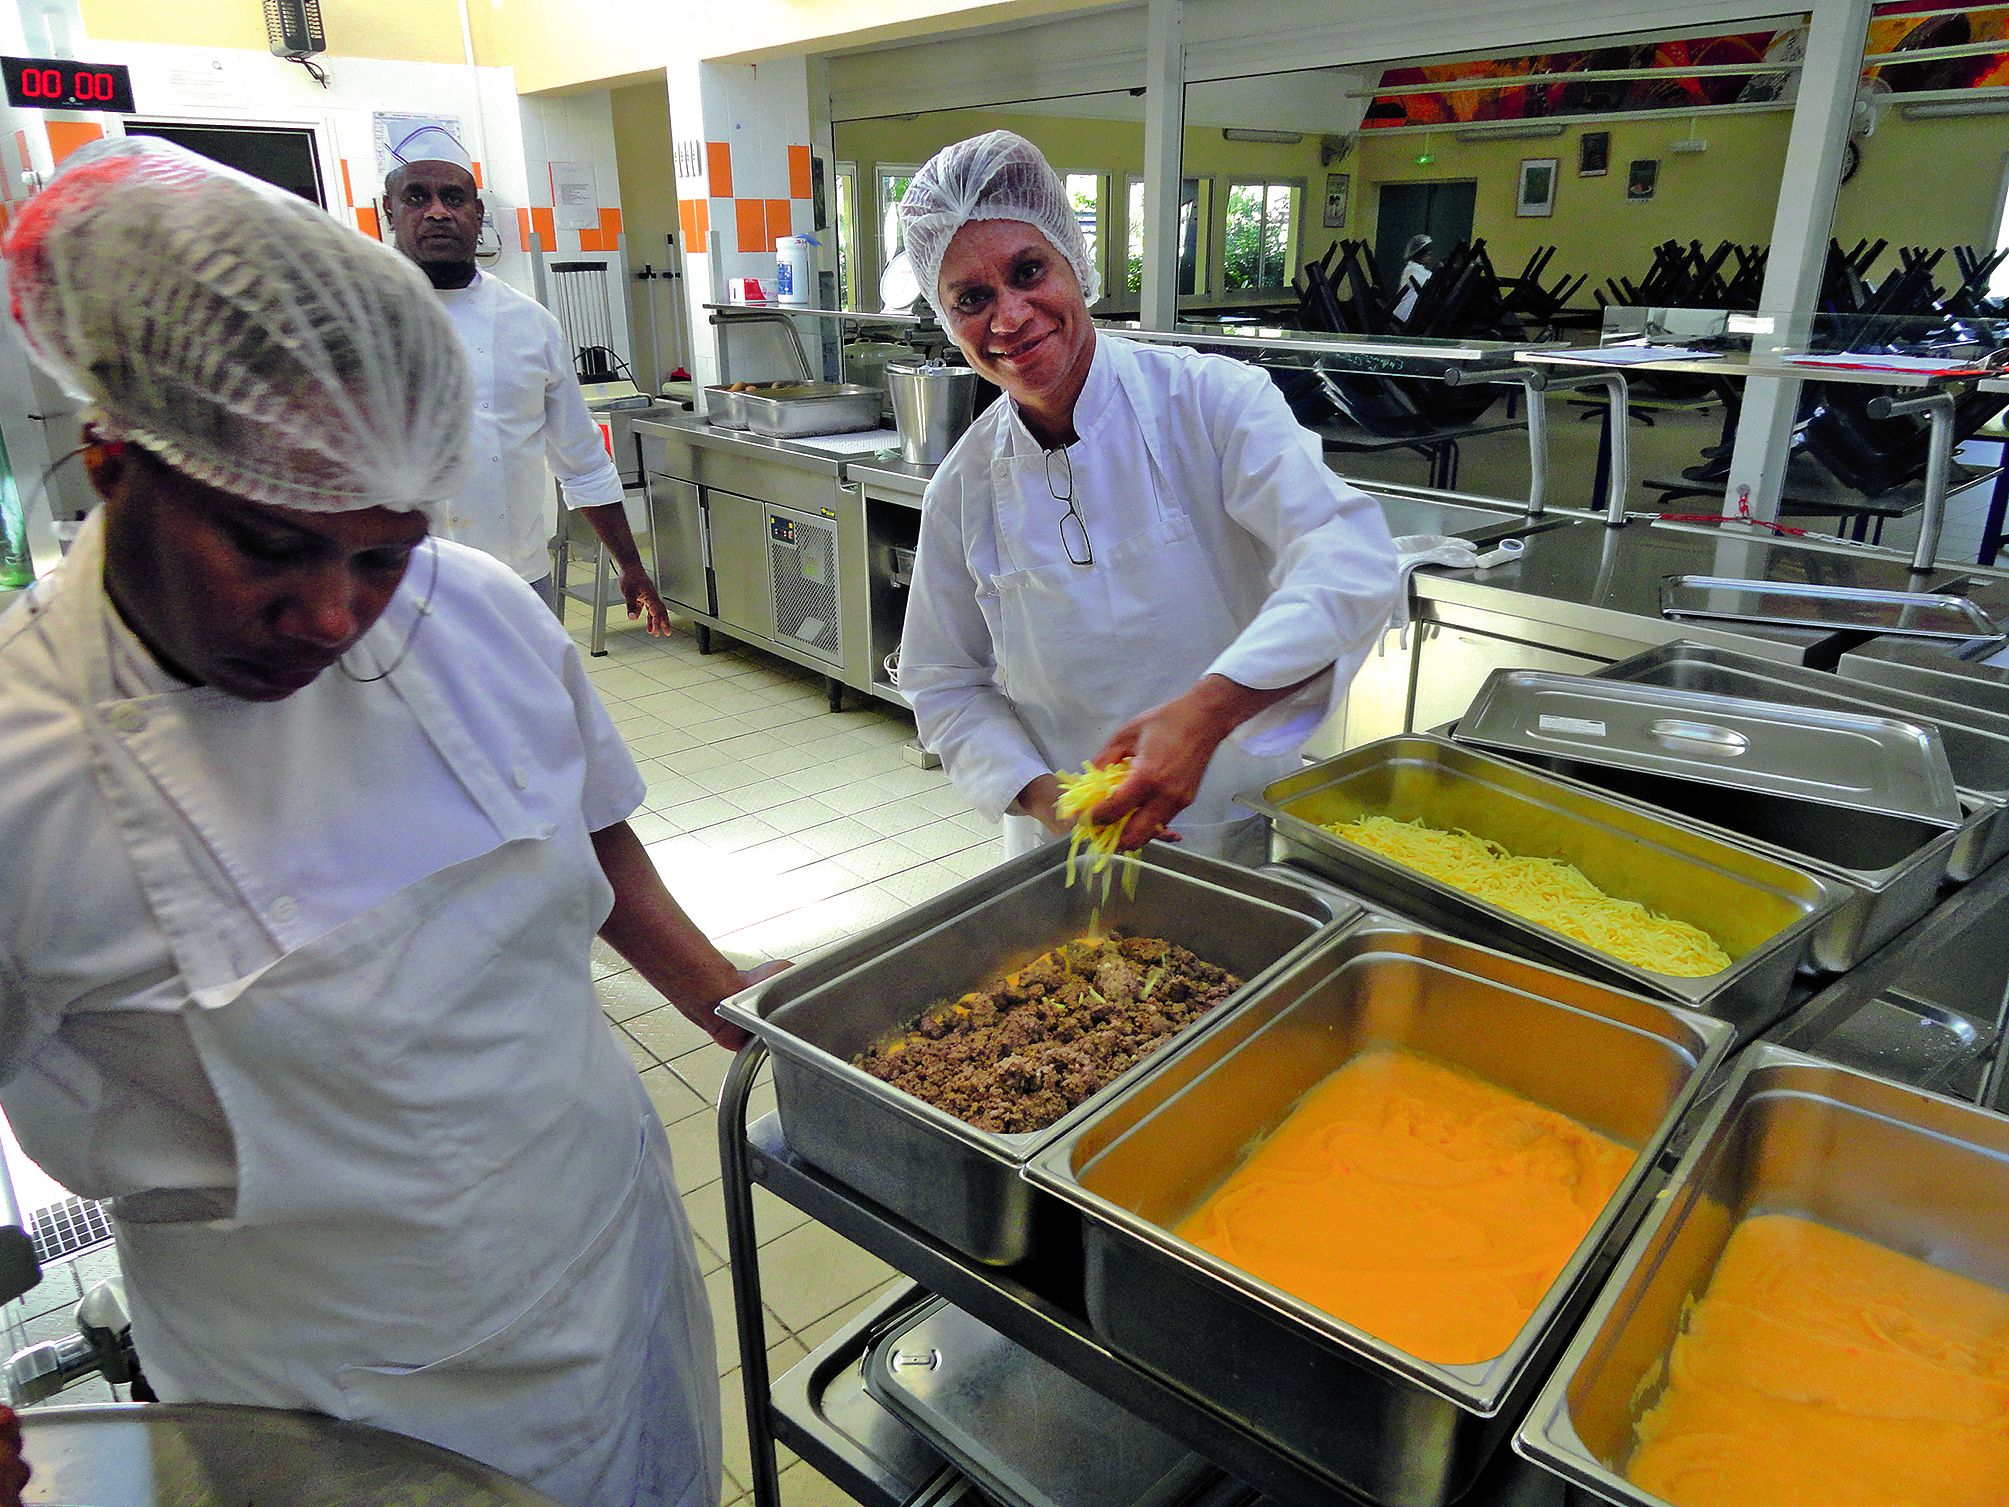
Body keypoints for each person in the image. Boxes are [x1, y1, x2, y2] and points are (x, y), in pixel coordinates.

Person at [0, 138, 771, 1507]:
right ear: (115, 461)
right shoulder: (24, 771)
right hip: (333, 1405)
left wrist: (720, 997)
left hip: (609, 1269)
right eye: (271, 545)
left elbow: (586, 826)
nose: (334, 614)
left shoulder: (473, 610)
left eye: (380, 551)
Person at [896, 131, 1398, 867]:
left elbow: (1346, 558)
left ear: (1075, 262)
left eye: (1028, 271)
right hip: (1068, 843)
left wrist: (1205, 714)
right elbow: (942, 679)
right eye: (972, 299)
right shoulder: (963, 485)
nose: (1008, 317)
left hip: (1239, 824)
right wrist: (1044, 799)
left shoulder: (1212, 401)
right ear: (947, 322)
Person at [384, 141, 672, 633]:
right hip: (390, 588)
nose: (437, 212)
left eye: (453, 198)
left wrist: (631, 563)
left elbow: (582, 461)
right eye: (416, 197)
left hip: (513, 581)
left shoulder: (529, 324)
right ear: (389, 211)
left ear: (478, 216)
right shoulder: (350, 319)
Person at [1392, 232, 1438, 323]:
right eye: (1428, 255)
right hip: (1403, 318)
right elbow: (1431, 281)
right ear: (1420, 255)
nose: (1430, 258)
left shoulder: (1412, 268)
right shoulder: (1413, 270)